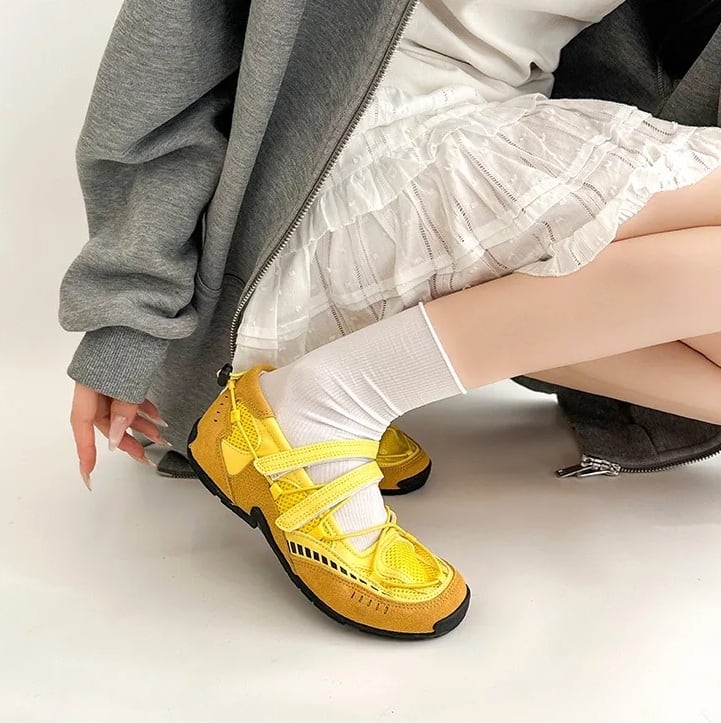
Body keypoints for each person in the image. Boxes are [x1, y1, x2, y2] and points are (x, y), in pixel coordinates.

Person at [61, 0, 721, 638]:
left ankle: (341, 372)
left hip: (500, 160)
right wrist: (126, 314)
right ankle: (323, 402)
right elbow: (164, 63)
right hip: (335, 182)